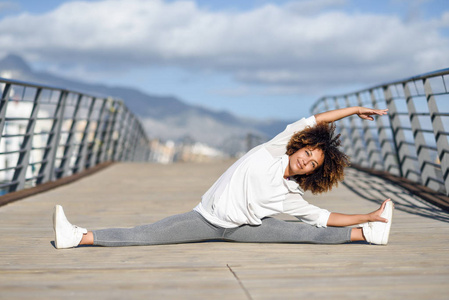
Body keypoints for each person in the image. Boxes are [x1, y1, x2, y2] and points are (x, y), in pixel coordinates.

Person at [53, 106, 393, 249]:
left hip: (247, 229)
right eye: (307, 153)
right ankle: (77, 237)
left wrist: (368, 214)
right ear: (299, 147)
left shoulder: (290, 193)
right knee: (145, 234)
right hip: (206, 220)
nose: (307, 162)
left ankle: (369, 233)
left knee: (308, 231)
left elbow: (326, 217)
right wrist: (354, 110)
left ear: (315, 173)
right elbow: (315, 118)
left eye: (313, 164)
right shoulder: (274, 149)